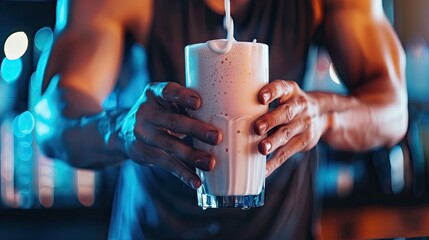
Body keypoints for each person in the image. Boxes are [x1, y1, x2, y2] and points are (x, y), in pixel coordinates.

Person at [34, 0, 408, 239]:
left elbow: (393, 111)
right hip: (153, 230)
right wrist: (120, 128)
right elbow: (51, 121)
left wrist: (323, 114)